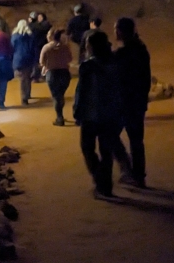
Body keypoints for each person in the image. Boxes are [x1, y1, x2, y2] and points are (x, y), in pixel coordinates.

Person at [73, 31, 123, 198]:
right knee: (106, 151)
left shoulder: (88, 66)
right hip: (110, 114)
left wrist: (77, 111)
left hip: (91, 114)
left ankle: (100, 179)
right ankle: (106, 186)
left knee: (87, 148)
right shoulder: (115, 63)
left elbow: (82, 91)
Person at [113, 17, 151, 188]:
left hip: (124, 102)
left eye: (116, 29)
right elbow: (145, 79)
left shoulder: (124, 54)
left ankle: (127, 168)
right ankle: (138, 175)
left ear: (121, 31)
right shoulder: (141, 49)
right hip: (137, 102)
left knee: (110, 135)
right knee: (136, 140)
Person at [41, 28, 73, 125]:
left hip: (52, 74)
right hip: (64, 73)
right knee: (60, 95)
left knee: (56, 96)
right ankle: (60, 115)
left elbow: (41, 62)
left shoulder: (46, 47)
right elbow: (70, 59)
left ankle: (59, 117)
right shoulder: (65, 47)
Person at [11, 19, 36, 105]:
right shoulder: (31, 36)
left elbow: (12, 48)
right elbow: (33, 48)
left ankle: (24, 97)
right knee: (27, 77)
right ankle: (27, 94)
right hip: (28, 58)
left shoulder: (14, 36)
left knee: (22, 79)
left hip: (18, 59)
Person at [28, 12, 52, 81]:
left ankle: (37, 76)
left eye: (40, 17)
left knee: (37, 61)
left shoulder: (38, 26)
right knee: (43, 60)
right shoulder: (42, 25)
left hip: (38, 45)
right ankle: (43, 75)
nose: (39, 18)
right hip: (42, 44)